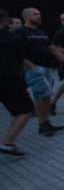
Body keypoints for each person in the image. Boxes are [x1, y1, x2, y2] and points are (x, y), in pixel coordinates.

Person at [17, 8, 64, 136]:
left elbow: (53, 50)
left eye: (39, 14)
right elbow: (16, 51)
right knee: (41, 96)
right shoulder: (20, 32)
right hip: (34, 69)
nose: (39, 16)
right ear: (26, 16)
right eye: (35, 14)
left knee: (46, 96)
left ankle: (46, 123)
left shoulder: (41, 32)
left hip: (45, 68)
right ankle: (42, 124)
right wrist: (31, 66)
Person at [0, 9, 33, 157]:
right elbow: (21, 57)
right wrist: (34, 68)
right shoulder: (11, 37)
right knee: (25, 109)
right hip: (9, 78)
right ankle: (7, 142)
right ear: (5, 21)